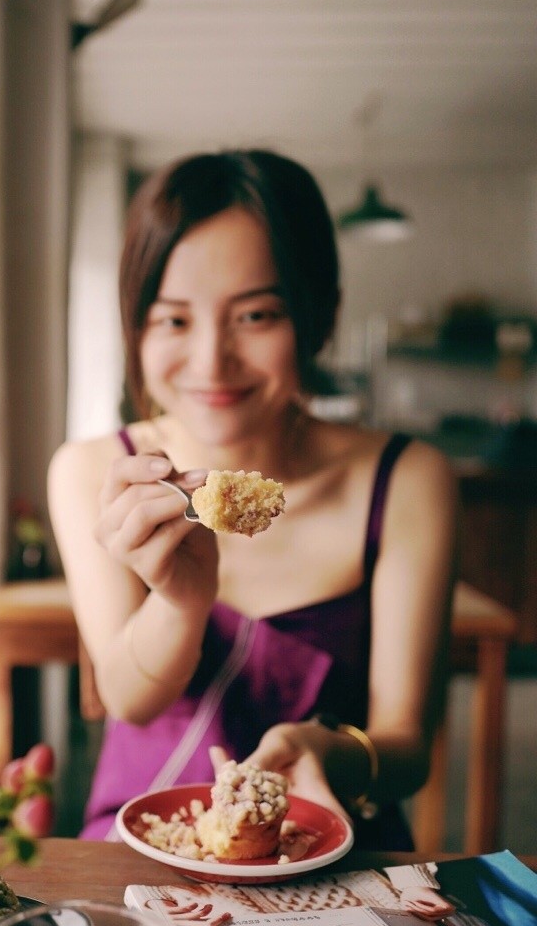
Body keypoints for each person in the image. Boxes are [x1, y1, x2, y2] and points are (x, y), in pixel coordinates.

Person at [48, 150, 457, 846]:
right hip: (143, 847)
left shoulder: (406, 478)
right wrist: (181, 598)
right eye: (174, 320)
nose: (211, 362)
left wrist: (335, 750)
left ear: (318, 316)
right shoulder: (94, 470)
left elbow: (408, 744)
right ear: (136, 328)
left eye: (257, 315)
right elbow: (128, 699)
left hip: (334, 849)